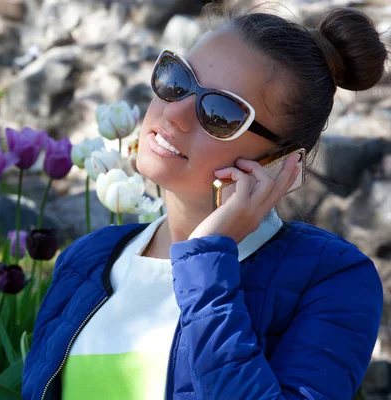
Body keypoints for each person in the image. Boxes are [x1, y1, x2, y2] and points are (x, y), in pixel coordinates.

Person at [22, 3, 389, 399]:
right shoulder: (87, 259)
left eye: (219, 112)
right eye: (177, 79)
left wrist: (208, 264)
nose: (175, 112)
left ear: (283, 161)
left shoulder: (332, 279)